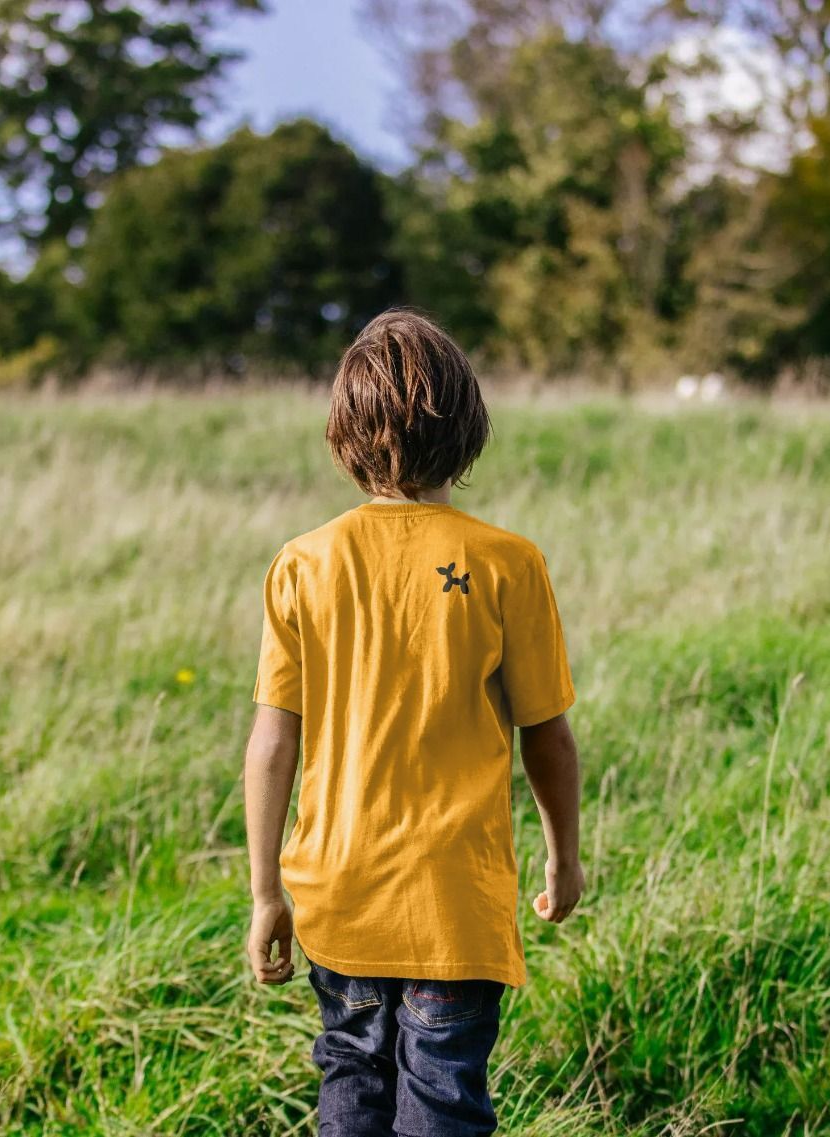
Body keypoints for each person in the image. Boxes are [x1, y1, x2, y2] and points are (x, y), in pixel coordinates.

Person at [243, 308, 584, 1136]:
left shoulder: (305, 562)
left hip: (338, 893)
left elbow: (271, 744)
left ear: (342, 434)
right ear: (467, 428)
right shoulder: (507, 561)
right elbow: (547, 734)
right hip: (454, 904)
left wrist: (264, 894)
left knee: (350, 1081)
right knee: (442, 1101)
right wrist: (563, 856)